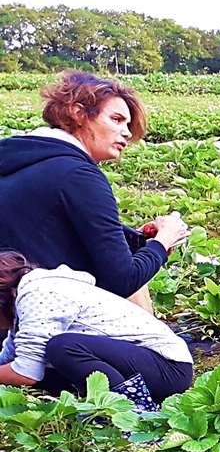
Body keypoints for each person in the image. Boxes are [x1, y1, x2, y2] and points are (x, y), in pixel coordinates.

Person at [0, 71, 188, 301]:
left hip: (11, 303)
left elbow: (43, 236)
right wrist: (164, 240)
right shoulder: (79, 175)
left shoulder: (18, 159)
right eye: (117, 119)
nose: (127, 133)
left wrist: (138, 239)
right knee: (136, 282)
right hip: (41, 314)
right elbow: (123, 280)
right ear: (78, 113)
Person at [0, 252, 193, 407]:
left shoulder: (38, 295)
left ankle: (132, 411)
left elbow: (26, 372)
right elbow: (10, 358)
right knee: (47, 363)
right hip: (140, 368)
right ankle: (107, 406)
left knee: (62, 347)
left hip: (168, 369)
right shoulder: (22, 306)